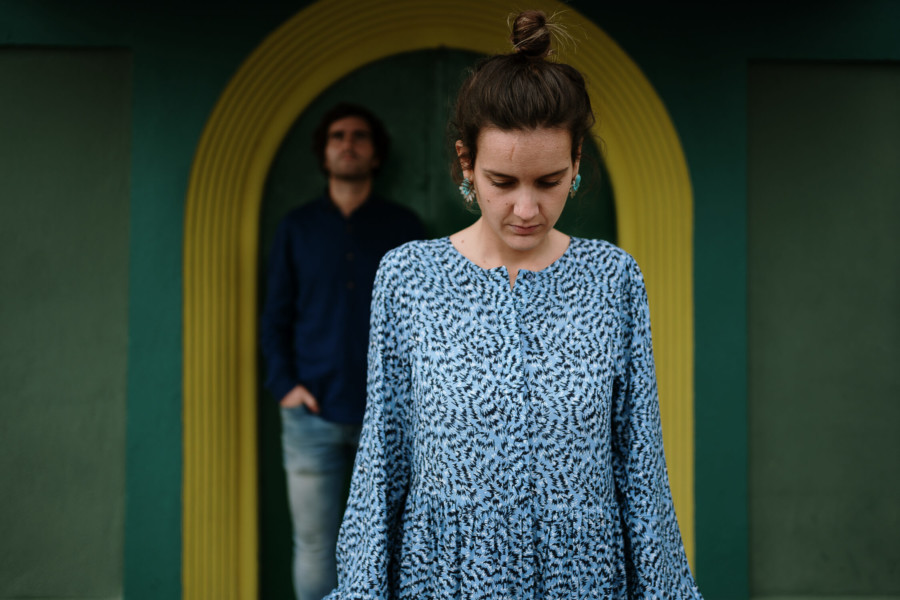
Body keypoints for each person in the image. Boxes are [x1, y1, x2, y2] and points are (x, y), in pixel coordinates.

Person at [325, 10, 704, 600]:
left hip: (582, 578)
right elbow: (383, 458)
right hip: (444, 578)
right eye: (503, 182)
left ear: (577, 162)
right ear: (466, 164)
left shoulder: (613, 279)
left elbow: (640, 465)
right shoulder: (408, 277)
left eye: (549, 181)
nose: (526, 209)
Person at [260, 102, 425, 600]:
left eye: (359, 136)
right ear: (324, 152)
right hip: (311, 417)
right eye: (337, 136)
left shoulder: (404, 227)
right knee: (315, 546)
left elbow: (422, 323)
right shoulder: (297, 228)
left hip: (393, 420)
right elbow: (275, 317)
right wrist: (285, 386)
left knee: (395, 544)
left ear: (375, 154)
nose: (347, 143)